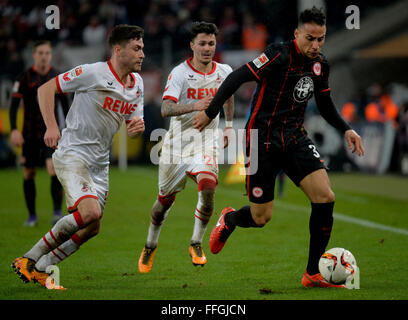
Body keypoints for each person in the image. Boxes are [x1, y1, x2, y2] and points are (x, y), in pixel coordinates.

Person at [193, 7, 365, 288]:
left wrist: (346, 127)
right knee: (261, 217)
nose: (315, 45)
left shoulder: (321, 65)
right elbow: (236, 77)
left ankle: (312, 273)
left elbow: (324, 104)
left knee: (325, 197)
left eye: (320, 39)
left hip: (295, 137)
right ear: (297, 34)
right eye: (310, 38)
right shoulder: (278, 55)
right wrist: (211, 112)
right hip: (261, 140)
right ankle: (231, 219)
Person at [11, 25, 146, 289]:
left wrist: (135, 128)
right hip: (73, 154)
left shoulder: (137, 83)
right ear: (118, 50)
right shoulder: (93, 72)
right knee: (90, 212)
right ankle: (28, 258)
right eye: (137, 48)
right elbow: (46, 89)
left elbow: (133, 124)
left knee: (92, 227)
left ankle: (41, 267)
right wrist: (51, 126)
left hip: (100, 164)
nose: (143, 54)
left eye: (142, 48)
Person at [138, 21, 234, 273]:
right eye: (202, 43)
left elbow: (229, 94)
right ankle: (150, 243)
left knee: (209, 186)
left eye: (211, 43)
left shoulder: (224, 71)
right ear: (192, 45)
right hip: (177, 145)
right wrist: (195, 105)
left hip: (206, 141)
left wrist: (228, 125)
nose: (207, 48)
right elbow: (166, 108)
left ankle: (195, 242)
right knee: (163, 204)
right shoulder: (179, 73)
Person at [9, 40, 69, 227]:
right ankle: (32, 215)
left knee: (53, 169)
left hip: (52, 133)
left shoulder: (57, 77)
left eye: (47, 53)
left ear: (50, 55)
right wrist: (14, 130)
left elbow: (67, 107)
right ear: (34, 55)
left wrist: (67, 129)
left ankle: (57, 212)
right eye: (40, 53)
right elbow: (13, 107)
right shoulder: (24, 78)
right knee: (29, 173)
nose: (44, 56)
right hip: (30, 134)